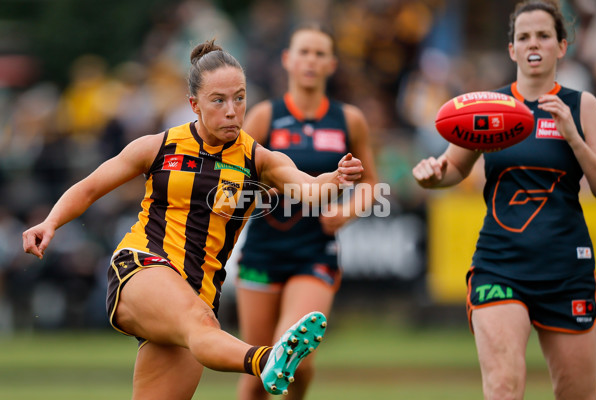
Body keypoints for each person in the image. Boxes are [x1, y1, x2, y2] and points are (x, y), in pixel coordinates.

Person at [22, 39, 365, 400]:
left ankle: (266, 357)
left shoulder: (258, 160)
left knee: (198, 327)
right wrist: (51, 222)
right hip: (141, 267)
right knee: (203, 325)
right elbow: (90, 188)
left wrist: (335, 180)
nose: (232, 110)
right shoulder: (159, 146)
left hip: (197, 297)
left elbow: (309, 188)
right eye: (218, 100)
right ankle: (266, 359)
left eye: (239, 97)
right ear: (194, 104)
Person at [413, 1, 596, 399]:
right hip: (500, 264)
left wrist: (572, 135)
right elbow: (453, 168)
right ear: (512, 49)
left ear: (561, 46)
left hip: (567, 267)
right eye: (524, 36)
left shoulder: (582, 105)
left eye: (544, 36)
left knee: (578, 394)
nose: (534, 44)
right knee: (502, 388)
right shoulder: (487, 107)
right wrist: (433, 175)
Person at [235, 23, 378, 400]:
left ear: (331, 64)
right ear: (287, 60)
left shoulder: (349, 120)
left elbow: (371, 187)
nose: (310, 61)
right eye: (303, 52)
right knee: (255, 373)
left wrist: (346, 212)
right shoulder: (265, 116)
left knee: (296, 352)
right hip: (263, 250)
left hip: (315, 251)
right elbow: (236, 182)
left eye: (319, 54)